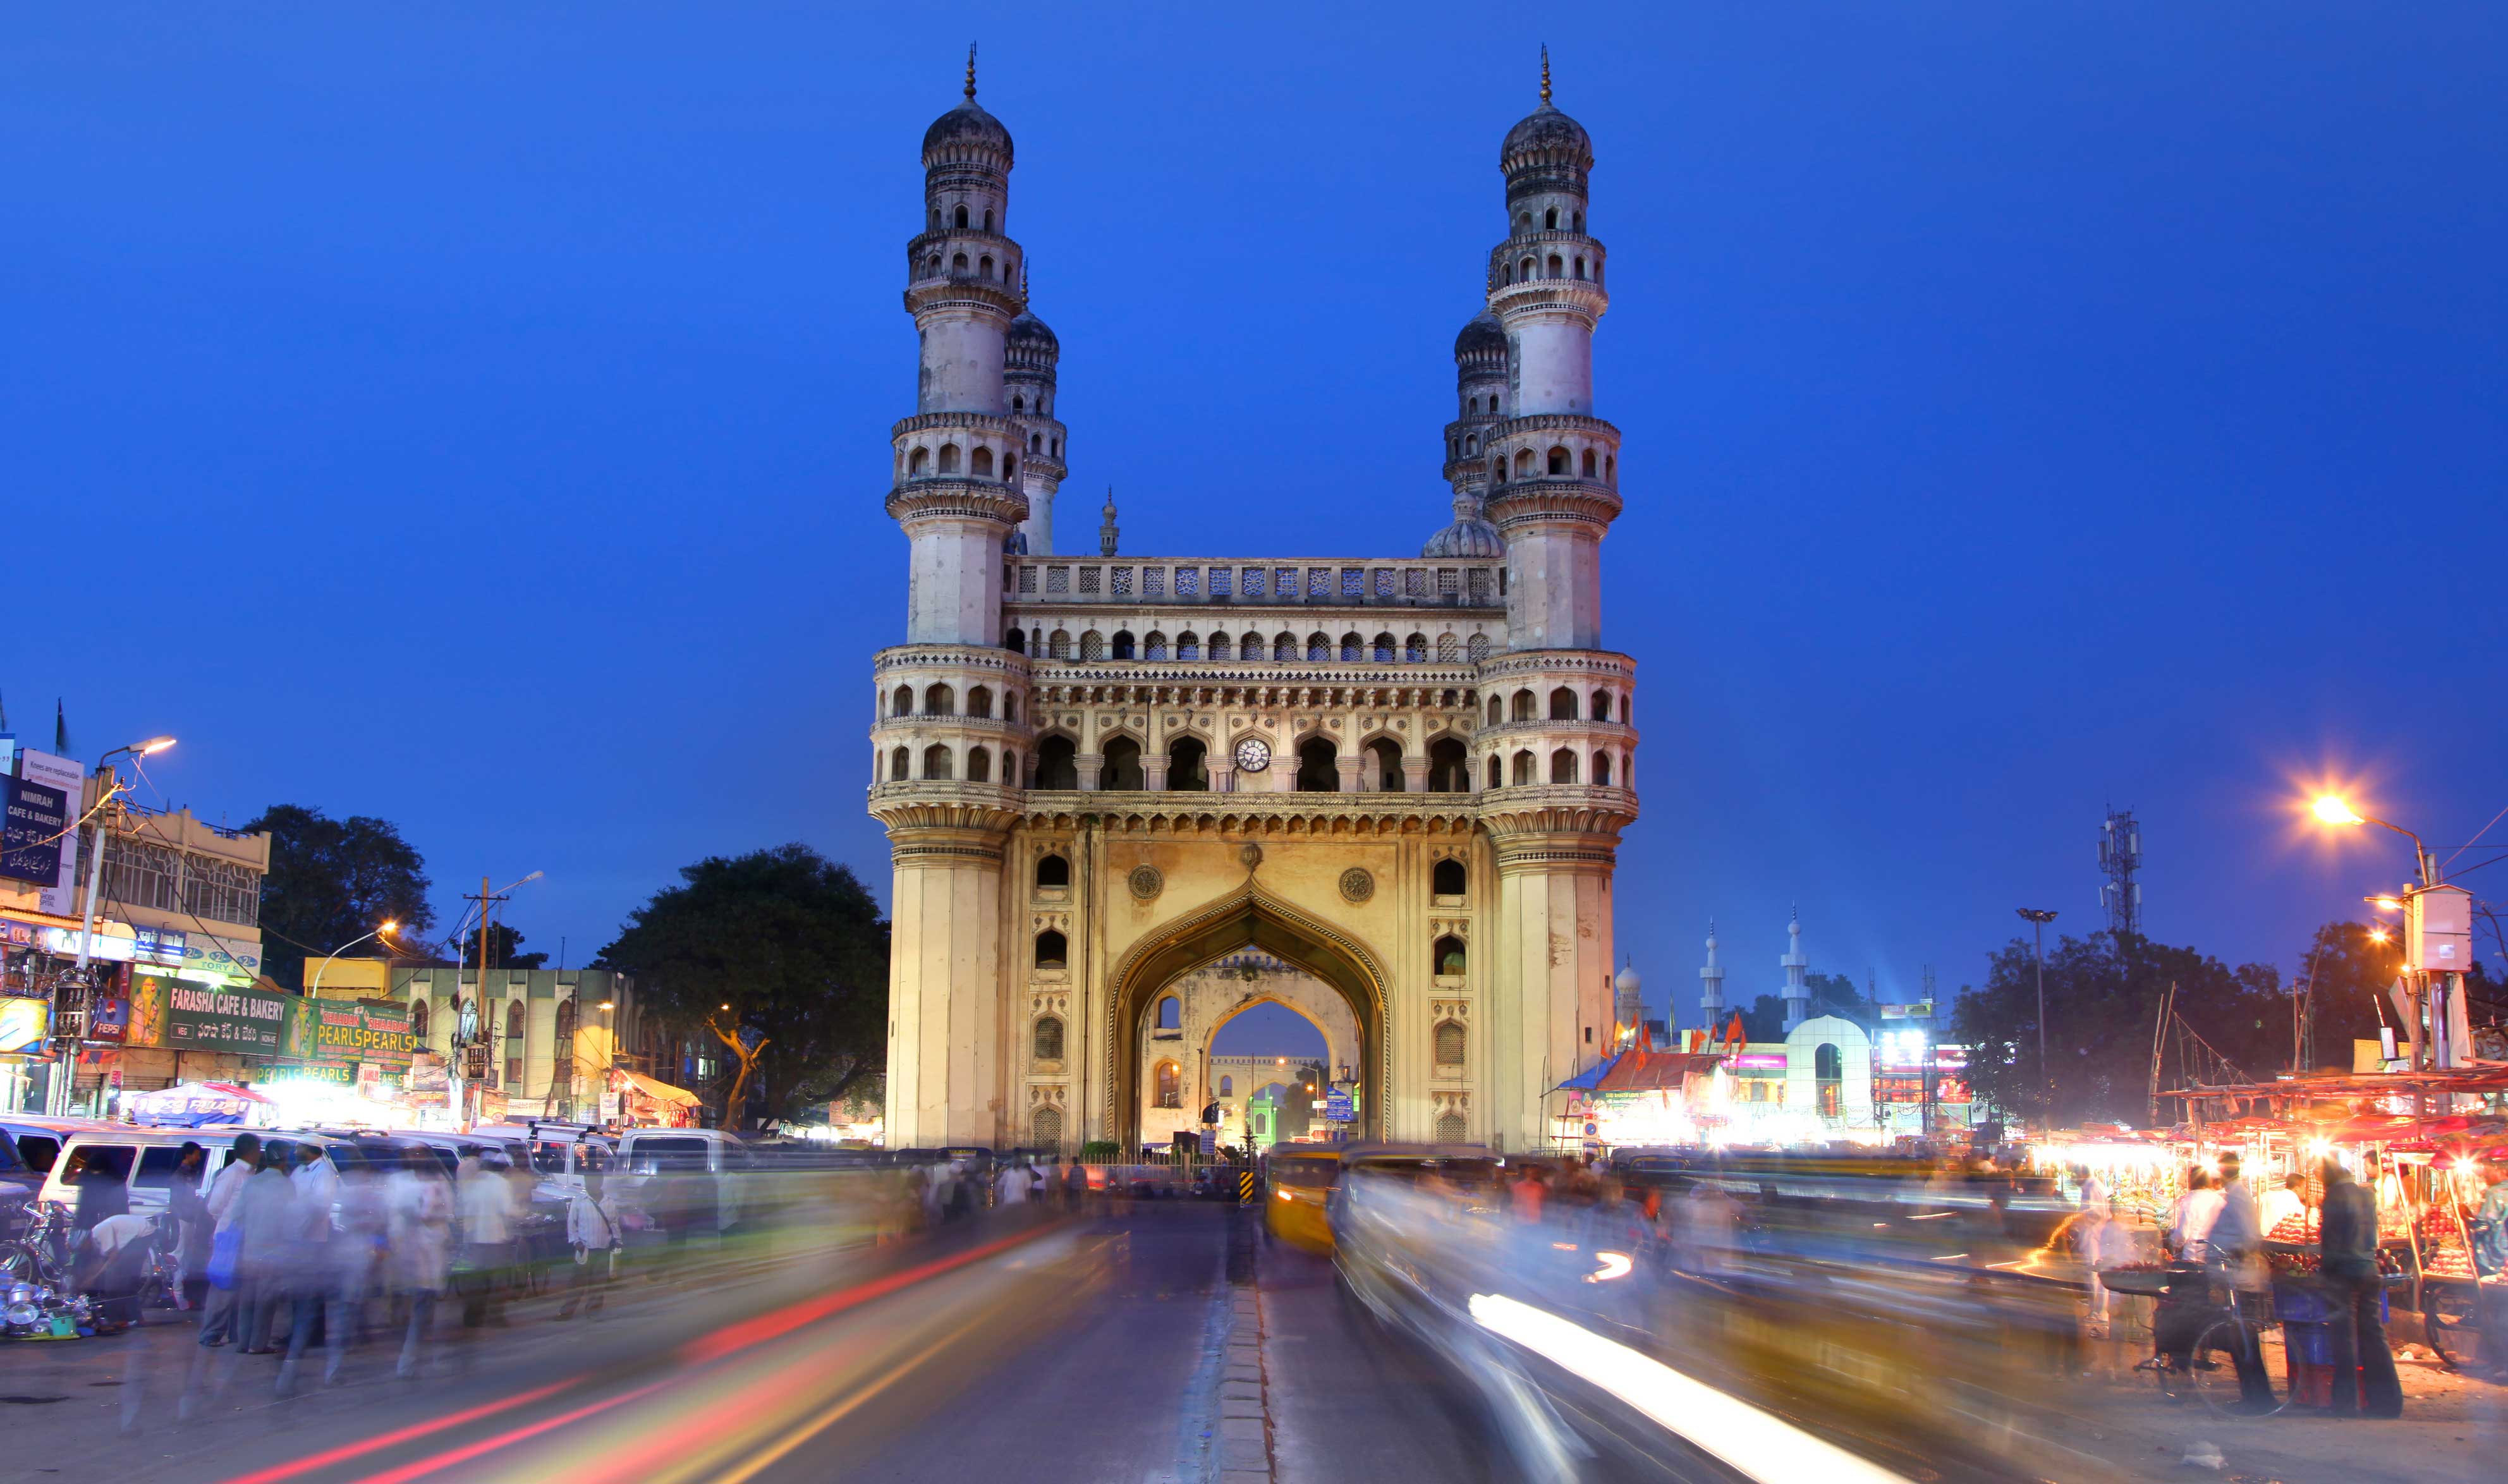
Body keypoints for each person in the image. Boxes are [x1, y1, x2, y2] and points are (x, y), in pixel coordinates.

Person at [2318, 1157, 2403, 1417]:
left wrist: (2324, 1273)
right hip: (2369, 1269)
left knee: (2344, 1338)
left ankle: (2346, 1403)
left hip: (2344, 1273)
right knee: (2374, 1336)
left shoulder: (2334, 1196)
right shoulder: (2367, 1195)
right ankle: (2388, 1403)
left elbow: (2330, 1241)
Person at [2205, 1152, 2273, 1409]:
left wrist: (2233, 1253)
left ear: (2222, 1171)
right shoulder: (2233, 1196)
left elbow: (2251, 1236)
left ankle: (2259, 1398)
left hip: (2241, 1279)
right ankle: (2252, 1395)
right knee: (2240, 1339)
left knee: (2244, 1339)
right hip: (2232, 1277)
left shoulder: (2239, 1197)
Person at [385, 1147, 454, 1377]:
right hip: (407, 1254)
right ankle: (408, 1359)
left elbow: (444, 1213)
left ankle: (411, 1361)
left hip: (427, 1254)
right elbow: (391, 1214)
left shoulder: (437, 1183)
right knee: (411, 1309)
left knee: (423, 1307)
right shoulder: (400, 1182)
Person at [197, 1133, 262, 1347]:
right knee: (222, 1286)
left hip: (244, 1236)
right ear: (250, 1151)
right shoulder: (233, 1173)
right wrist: (229, 1222)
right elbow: (214, 1206)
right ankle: (211, 1333)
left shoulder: (251, 1174)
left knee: (239, 1286)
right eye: (258, 1149)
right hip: (228, 1237)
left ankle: (236, 1333)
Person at [457, 1152, 519, 1328]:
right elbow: (507, 1210)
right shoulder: (500, 1184)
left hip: (472, 1240)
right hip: (495, 1239)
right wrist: (520, 1212)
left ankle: (472, 1318)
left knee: (475, 1281)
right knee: (497, 1280)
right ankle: (496, 1317)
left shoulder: (468, 1183)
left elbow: (460, 1209)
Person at [558, 1170, 621, 1320]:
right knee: (577, 1283)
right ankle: (567, 1312)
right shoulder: (579, 1201)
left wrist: (618, 1241)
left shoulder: (609, 1202)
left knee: (599, 1283)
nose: (590, 1184)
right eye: (588, 1181)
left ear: (600, 1182)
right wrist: (576, 1242)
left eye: (593, 1181)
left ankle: (593, 1311)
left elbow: (614, 1224)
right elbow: (571, 1224)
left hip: (603, 1247)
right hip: (584, 1249)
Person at [2468, 1156, 2508, 1379]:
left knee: (2496, 1313)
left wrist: (2467, 1217)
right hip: (2505, 1257)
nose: (2484, 1175)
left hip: (2493, 1258)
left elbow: (2484, 1224)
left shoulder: (2495, 1194)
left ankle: (2500, 1363)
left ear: (2502, 1171)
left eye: (2489, 1170)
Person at [166, 1142, 213, 1310]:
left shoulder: (189, 1174)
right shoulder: (180, 1176)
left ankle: (182, 1296)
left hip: (188, 1219)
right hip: (182, 1220)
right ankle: (177, 1296)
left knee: (185, 1256)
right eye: (197, 1154)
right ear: (188, 1155)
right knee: (180, 1257)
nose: (199, 1158)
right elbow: (179, 1201)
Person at [2260, 1172, 2311, 1239]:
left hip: (2265, 1241)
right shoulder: (2294, 1202)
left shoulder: (2268, 1196)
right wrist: (2314, 1207)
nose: (2306, 1191)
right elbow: (2310, 1227)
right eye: (2305, 1187)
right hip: (2285, 1244)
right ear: (2297, 1188)